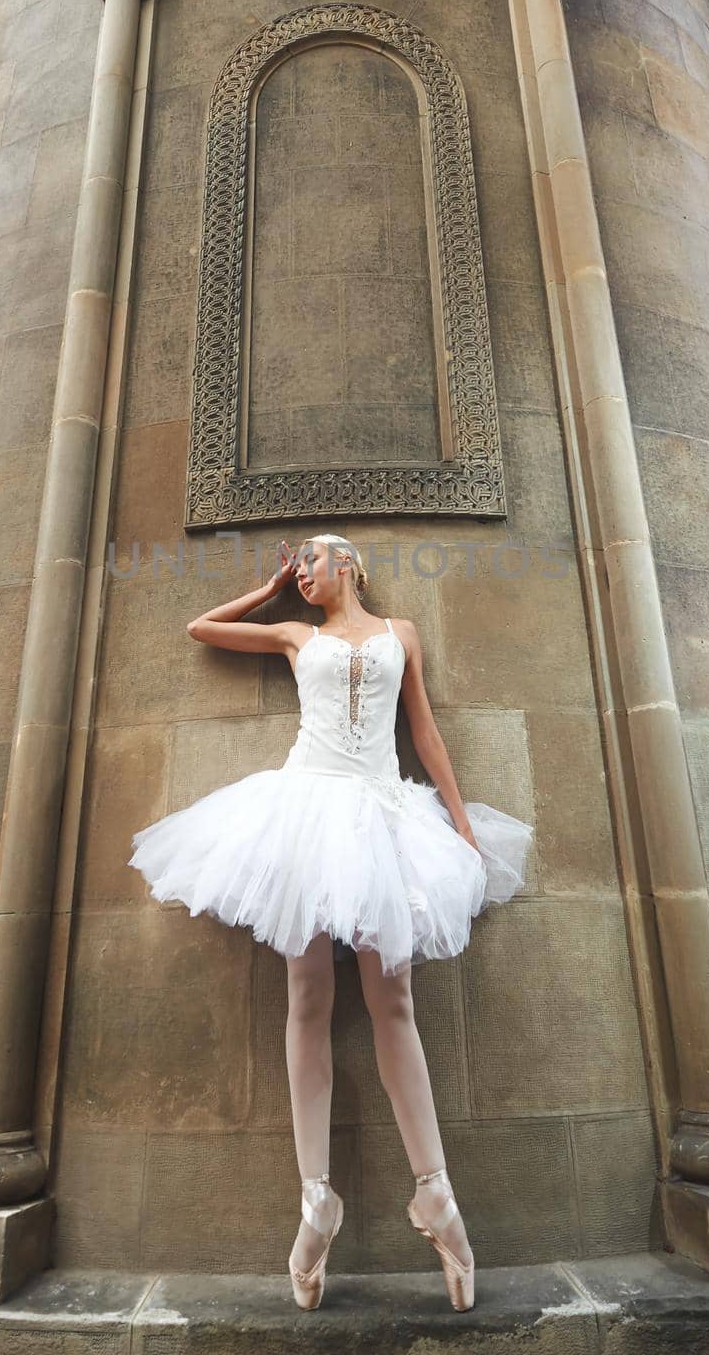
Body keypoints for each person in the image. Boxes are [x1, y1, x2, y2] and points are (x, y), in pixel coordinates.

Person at [127, 533, 534, 1312]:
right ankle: (316, 1199)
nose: (304, 570)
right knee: (307, 999)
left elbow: (423, 733)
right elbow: (201, 629)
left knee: (395, 1002)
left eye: (311, 560)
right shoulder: (294, 634)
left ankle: (436, 1195)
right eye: (299, 564)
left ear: (348, 564)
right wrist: (270, 585)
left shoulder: (400, 635)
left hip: (383, 813)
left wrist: (461, 825)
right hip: (304, 812)